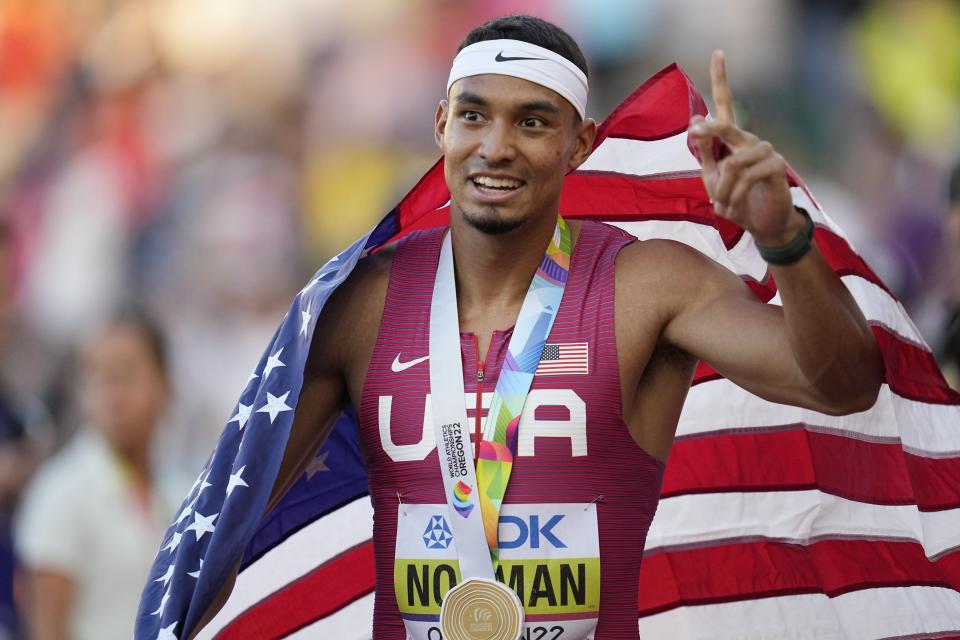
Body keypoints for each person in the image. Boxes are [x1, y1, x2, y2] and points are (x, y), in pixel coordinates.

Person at [195, 15, 883, 639]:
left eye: (531, 122)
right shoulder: (362, 306)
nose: (496, 147)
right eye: (474, 117)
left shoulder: (647, 286)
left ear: (579, 143)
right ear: (441, 125)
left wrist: (783, 238)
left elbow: (844, 386)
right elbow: (219, 539)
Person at [16, 308, 176, 640]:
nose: (111, 394)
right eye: (97, 375)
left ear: (163, 384)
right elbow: (46, 632)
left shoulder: (182, 491)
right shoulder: (60, 493)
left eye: (126, 373)